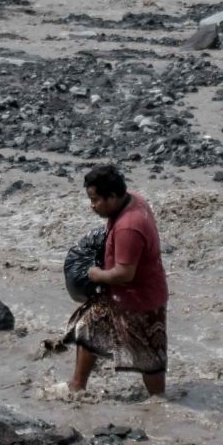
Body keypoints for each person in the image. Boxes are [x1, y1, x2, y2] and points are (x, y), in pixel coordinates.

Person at [66, 163, 168, 399]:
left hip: (140, 300)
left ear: (112, 196)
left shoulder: (129, 227)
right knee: (87, 328)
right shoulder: (133, 199)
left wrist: (96, 274)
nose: (92, 206)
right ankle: (76, 387)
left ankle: (160, 403)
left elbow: (125, 274)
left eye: (95, 200)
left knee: (149, 358)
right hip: (120, 296)